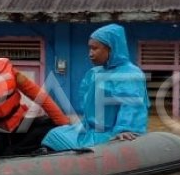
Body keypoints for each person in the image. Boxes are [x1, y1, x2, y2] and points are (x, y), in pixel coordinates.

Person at [41, 23, 148, 151]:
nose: (90, 54)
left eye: (95, 48)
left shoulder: (129, 73)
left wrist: (125, 129)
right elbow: (87, 103)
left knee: (85, 149)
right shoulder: (94, 73)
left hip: (110, 133)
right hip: (89, 130)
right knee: (54, 134)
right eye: (89, 49)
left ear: (111, 49)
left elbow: (132, 105)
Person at [0, 57, 69, 156]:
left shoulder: (11, 73)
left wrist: (64, 125)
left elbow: (40, 96)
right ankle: (11, 151)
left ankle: (15, 150)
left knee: (52, 125)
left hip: (20, 124)